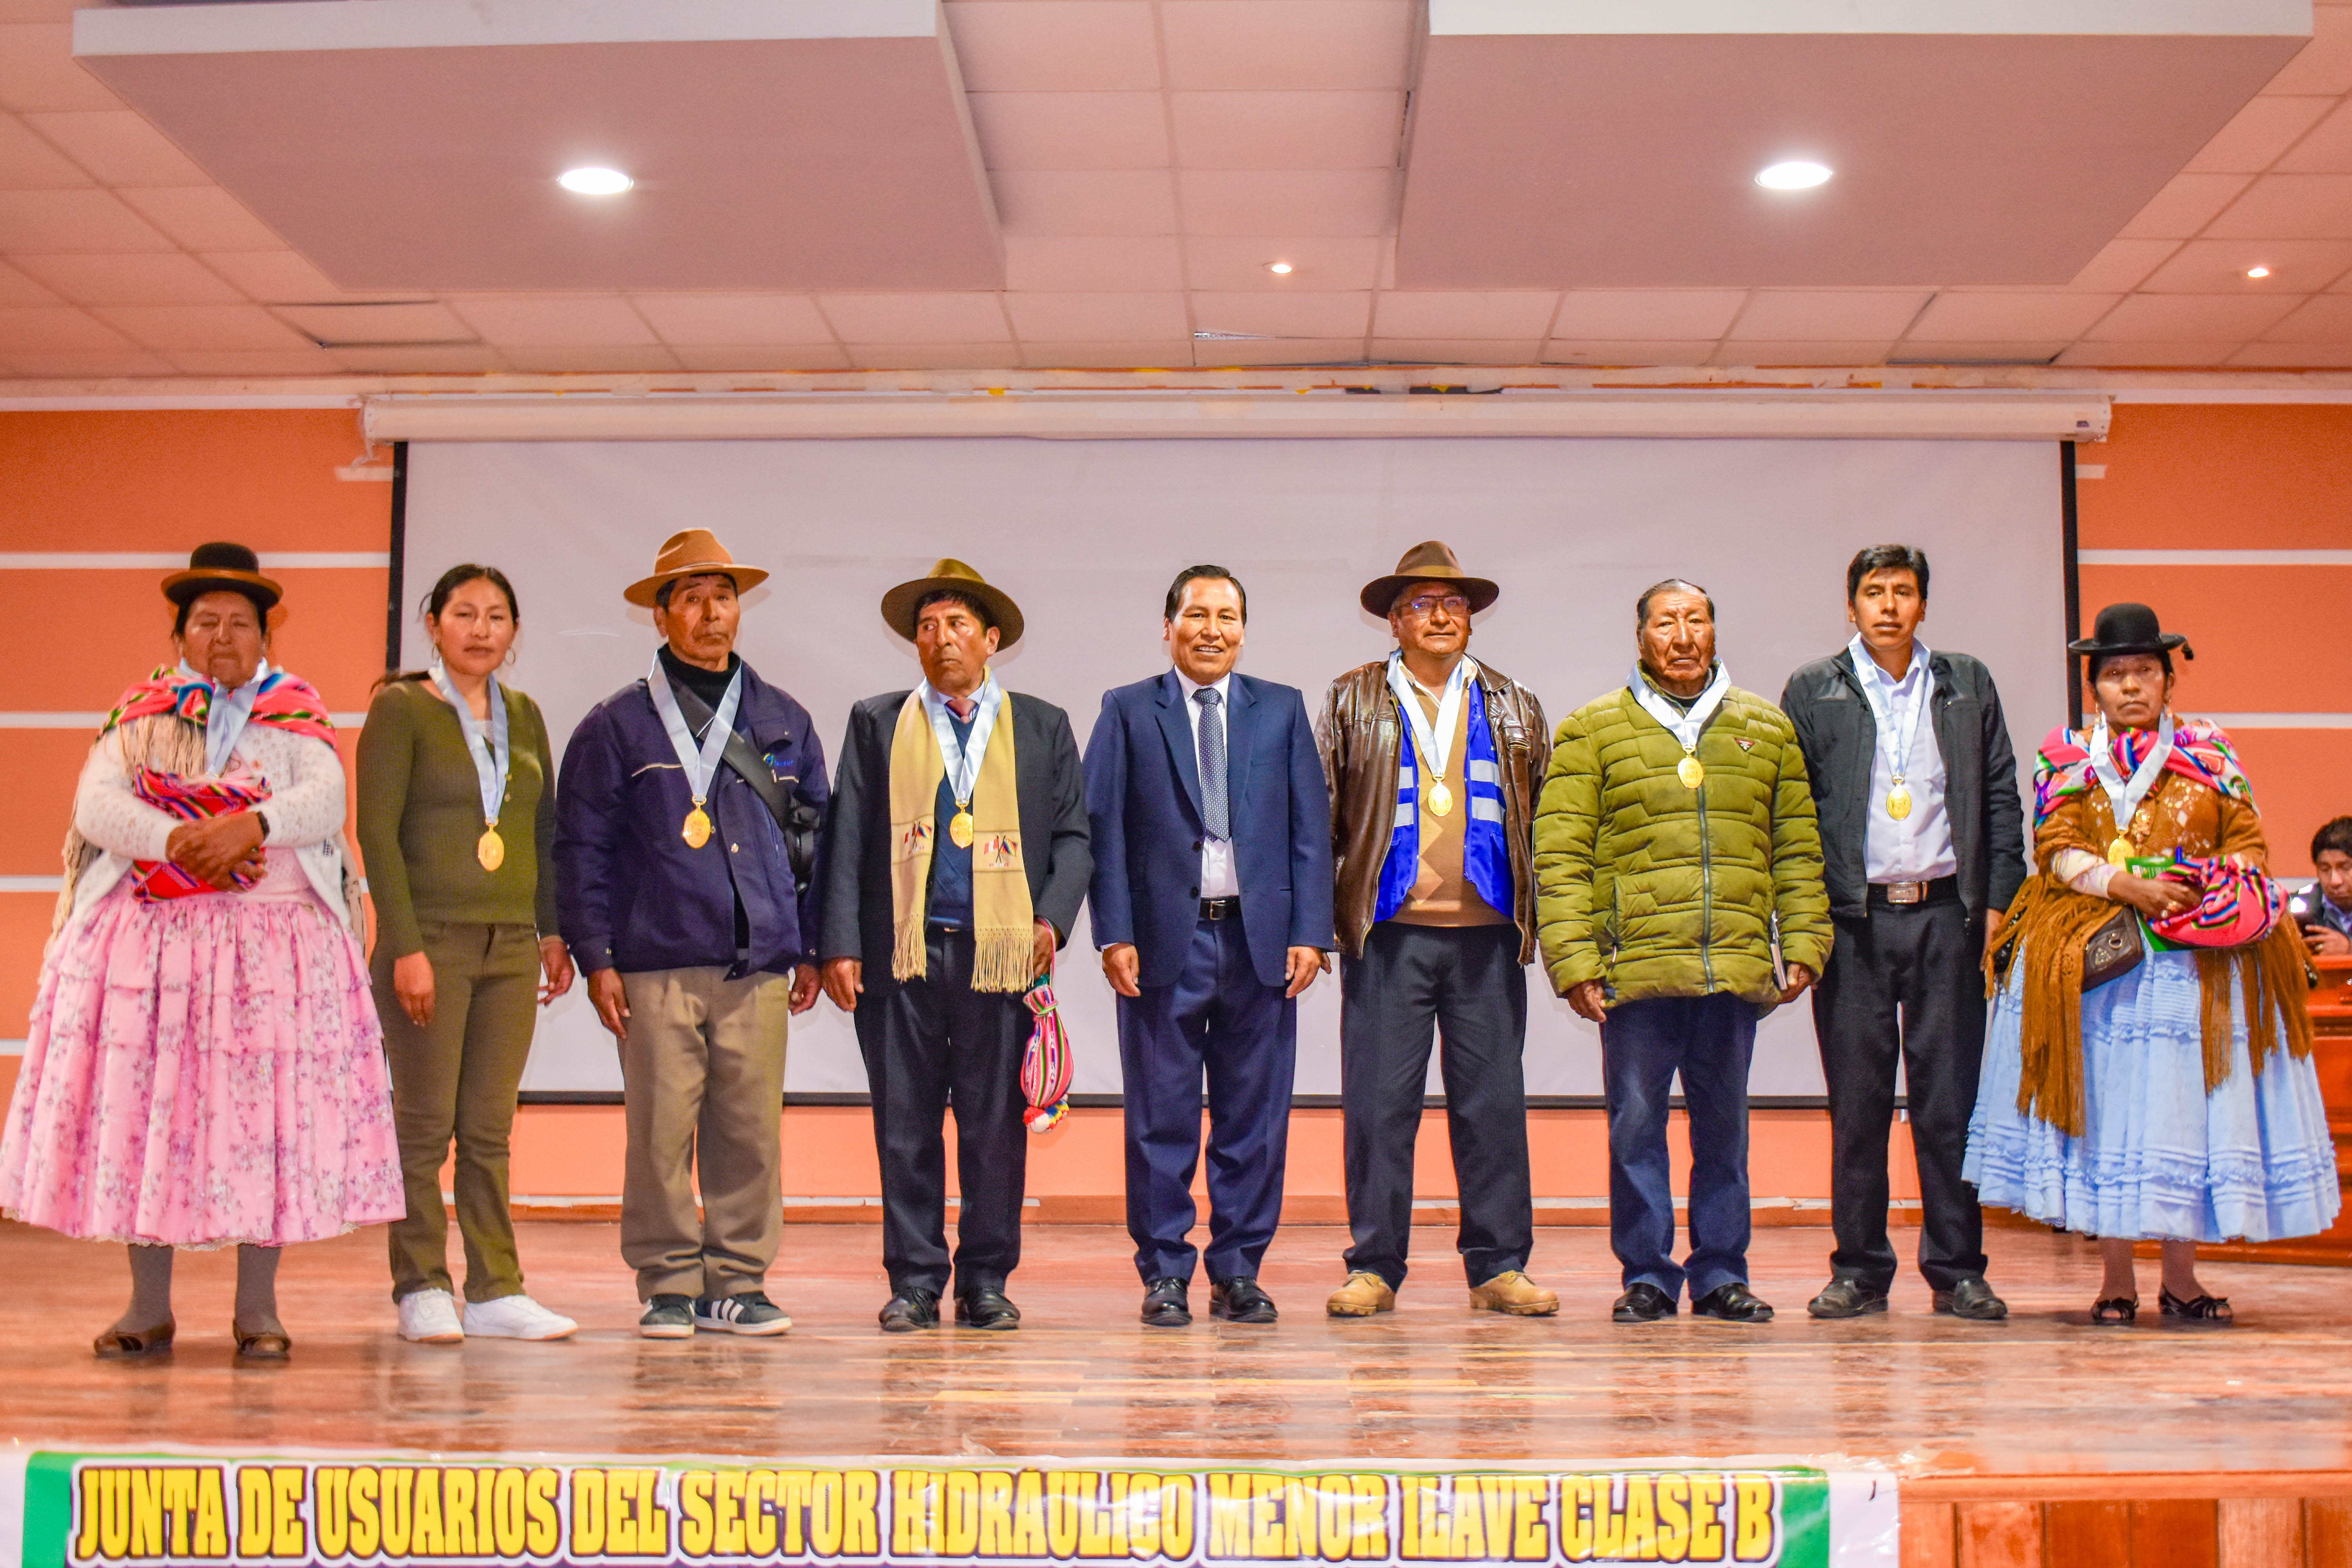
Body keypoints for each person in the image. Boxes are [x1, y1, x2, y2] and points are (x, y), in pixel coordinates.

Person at [0, 542, 401, 1359]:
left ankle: (259, 1310)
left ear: (266, 637)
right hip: (152, 958)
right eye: (207, 621)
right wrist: (182, 840)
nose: (224, 636)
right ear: (179, 634)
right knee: (152, 1115)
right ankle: (147, 1307)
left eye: (241, 623)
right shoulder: (140, 715)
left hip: (270, 962)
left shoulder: (295, 712)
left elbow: (325, 800)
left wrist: (251, 826)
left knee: (263, 1121)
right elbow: (95, 806)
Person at [1965, 602, 2338, 1324]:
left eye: (2144, 671)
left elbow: (2249, 843)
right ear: (2093, 688)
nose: (2131, 686)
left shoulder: (2210, 752)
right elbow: (2055, 848)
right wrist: (2127, 886)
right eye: (2115, 675)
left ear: (2169, 680)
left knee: (2182, 1120)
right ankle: (2114, 1279)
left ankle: (2181, 1279)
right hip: (2096, 968)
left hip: (2192, 968)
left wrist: (2209, 889)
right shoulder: (2067, 756)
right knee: (2103, 1120)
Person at [555, 530, 829, 1340]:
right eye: (692, 599)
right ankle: (669, 1282)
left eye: (724, 597)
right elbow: (581, 849)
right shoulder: (616, 727)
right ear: (662, 615)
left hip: (758, 965)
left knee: (751, 1133)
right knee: (660, 1134)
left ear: (739, 609)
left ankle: (738, 1281)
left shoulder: (785, 720)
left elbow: (816, 840)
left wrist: (811, 945)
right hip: (653, 965)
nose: (711, 614)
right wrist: (596, 955)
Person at [1536, 579, 1831, 1325]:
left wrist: (1803, 937)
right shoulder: (1593, 729)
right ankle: (1647, 1275)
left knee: (1724, 1133)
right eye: (1666, 622)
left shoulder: (1765, 728)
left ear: (1713, 631)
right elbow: (1561, 855)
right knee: (1636, 1129)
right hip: (1634, 970)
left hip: (1732, 965)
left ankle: (1723, 1273)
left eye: (1695, 619)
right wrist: (1574, 959)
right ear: (1641, 637)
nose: (1682, 635)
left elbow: (1797, 847)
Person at [819, 560, 1090, 1333]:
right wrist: (839, 942)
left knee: (992, 1129)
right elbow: (847, 837)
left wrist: (1050, 921)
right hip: (901, 957)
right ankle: (913, 1280)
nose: (942, 639)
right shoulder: (877, 722)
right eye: (928, 627)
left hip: (998, 960)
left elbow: (1074, 837)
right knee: (904, 1128)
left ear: (992, 639)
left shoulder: (1041, 725)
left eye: (959, 625)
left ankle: (985, 1280)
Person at [1778, 545, 2025, 1323]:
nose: (1889, 605)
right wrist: (1803, 920)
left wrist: (1998, 900)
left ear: (1924, 604)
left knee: (1949, 1107)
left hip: (1948, 916)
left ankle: (1958, 1271)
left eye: (1904, 591)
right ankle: (1858, 1270)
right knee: (1858, 1108)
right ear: (1850, 605)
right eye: (1874, 592)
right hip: (1853, 922)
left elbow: (2000, 793)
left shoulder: (1966, 682)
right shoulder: (1813, 688)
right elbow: (1791, 810)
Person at [1084, 565, 1333, 1328]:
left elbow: (1309, 831)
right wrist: (1113, 932)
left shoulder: (1282, 709)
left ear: (1244, 631)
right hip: (1165, 944)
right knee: (1159, 1118)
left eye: (1227, 616)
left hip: (1261, 945)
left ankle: (1238, 1270)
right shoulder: (1128, 709)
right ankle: (1164, 1269)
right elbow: (1103, 829)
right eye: (1197, 615)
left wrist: (1310, 933)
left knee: (1252, 1120)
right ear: (1168, 628)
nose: (1211, 630)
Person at [1317, 541, 1559, 1320]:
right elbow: (1323, 817)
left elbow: (1545, 822)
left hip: (1488, 935)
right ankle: (1373, 1267)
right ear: (1394, 622)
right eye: (1422, 604)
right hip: (1388, 934)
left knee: (1493, 1107)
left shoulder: (1514, 703)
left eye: (1454, 604)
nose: (1441, 616)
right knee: (1379, 1109)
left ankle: (1499, 1266)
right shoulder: (1352, 699)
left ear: (1471, 619)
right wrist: (1318, 926)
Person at [359, 564, 579, 1345]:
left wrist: (551, 931)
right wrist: (406, 946)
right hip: (432, 944)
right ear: (434, 624)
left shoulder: (525, 715)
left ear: (514, 631)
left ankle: (495, 1290)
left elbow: (543, 832)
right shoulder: (401, 709)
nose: (480, 629)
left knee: (488, 1130)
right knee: (423, 1127)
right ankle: (421, 1283)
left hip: (511, 947)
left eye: (496, 616)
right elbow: (377, 834)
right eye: (464, 613)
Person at [2293, 816, 2352, 955]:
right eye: (2325, 869)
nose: (2335, 881)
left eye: (2345, 868)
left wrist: (2349, 950)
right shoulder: (2294, 909)